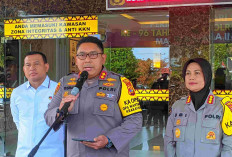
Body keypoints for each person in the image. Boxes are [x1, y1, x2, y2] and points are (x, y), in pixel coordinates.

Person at [44, 36, 142, 157]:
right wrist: (61, 111)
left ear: (103, 58)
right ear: (76, 59)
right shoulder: (65, 83)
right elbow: (49, 116)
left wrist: (109, 139)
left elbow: (135, 120)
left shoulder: (120, 83)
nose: (87, 60)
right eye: (82, 55)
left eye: (93, 54)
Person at [164, 58, 232, 157]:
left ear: (207, 75)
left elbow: (229, 145)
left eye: (197, 73)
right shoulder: (178, 106)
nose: (191, 77)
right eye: (188, 73)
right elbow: (169, 141)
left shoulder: (222, 107)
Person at [10, 51, 64, 157]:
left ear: (46, 67)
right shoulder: (17, 93)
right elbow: (18, 122)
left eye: (36, 64)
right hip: (24, 153)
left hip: (53, 153)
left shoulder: (59, 90)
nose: (32, 68)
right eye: (28, 65)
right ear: (24, 69)